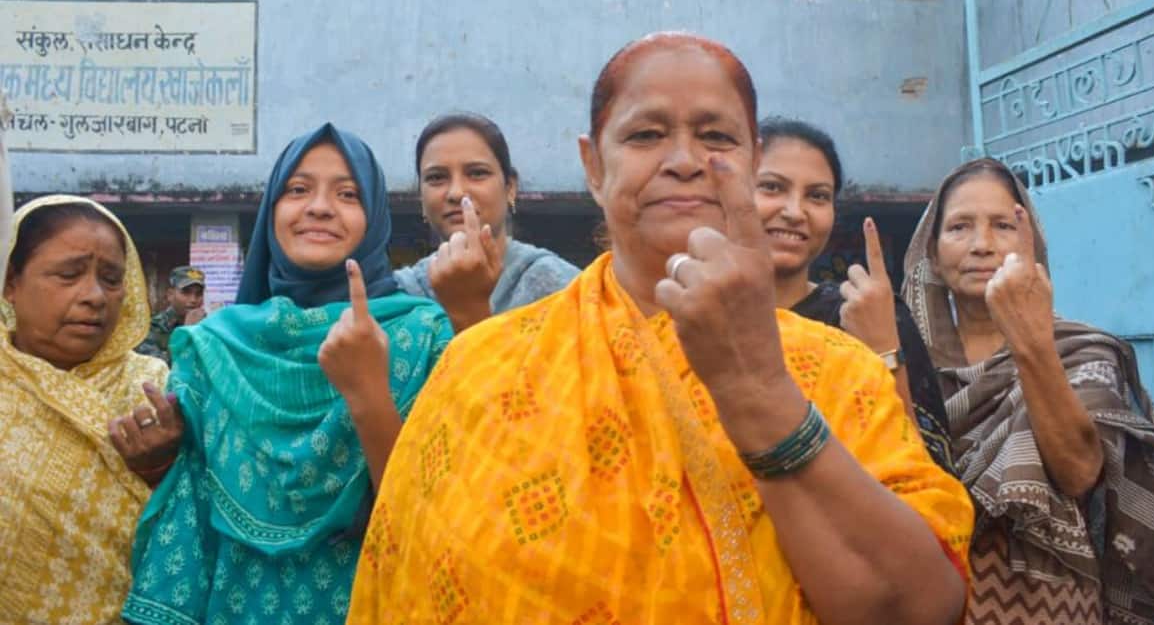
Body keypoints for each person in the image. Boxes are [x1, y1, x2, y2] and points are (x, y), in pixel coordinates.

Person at [346, 33, 974, 624]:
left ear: (753, 160)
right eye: (645, 135)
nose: (683, 161)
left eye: (716, 137)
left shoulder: (840, 371)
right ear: (593, 166)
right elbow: (410, 577)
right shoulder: (479, 367)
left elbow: (920, 607)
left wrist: (759, 392)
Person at [123, 124, 453, 625]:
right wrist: (156, 461)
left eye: (347, 193)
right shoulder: (215, 348)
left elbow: (441, 515)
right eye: (297, 190)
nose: (319, 207)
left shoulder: (423, 338)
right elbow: (191, 512)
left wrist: (368, 393)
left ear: (376, 218)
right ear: (270, 212)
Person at [900, 158, 1154, 624]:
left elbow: (1079, 471)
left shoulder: (1081, 352)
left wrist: (1030, 341)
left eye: (1002, 225)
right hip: (926, 599)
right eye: (960, 227)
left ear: (1032, 245)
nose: (982, 245)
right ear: (933, 254)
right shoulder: (902, 363)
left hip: (1053, 603)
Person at [0, 195, 180, 622]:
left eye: (112, 279)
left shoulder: (156, 388)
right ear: (10, 282)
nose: (95, 296)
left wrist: (161, 469)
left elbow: (195, 532)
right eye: (68, 274)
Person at [753, 117, 955, 475]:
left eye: (817, 196)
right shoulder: (693, 316)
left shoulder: (867, 314)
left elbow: (929, 475)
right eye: (771, 187)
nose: (794, 211)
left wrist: (882, 353)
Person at [394, 112, 578, 331]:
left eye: (477, 173)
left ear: (510, 188)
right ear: (421, 199)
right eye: (436, 178)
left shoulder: (563, 288)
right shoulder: (402, 294)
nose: (456, 192)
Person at [135, 264, 207, 364]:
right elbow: (158, 368)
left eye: (198, 294)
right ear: (170, 295)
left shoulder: (207, 327)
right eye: (186, 292)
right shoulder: (152, 327)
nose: (193, 300)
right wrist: (186, 333)